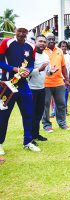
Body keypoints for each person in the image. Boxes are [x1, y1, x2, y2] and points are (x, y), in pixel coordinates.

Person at [0, 25, 41, 154]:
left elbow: (31, 64)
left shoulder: (31, 46)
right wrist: (15, 69)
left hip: (23, 85)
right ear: (15, 31)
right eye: (20, 31)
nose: (22, 34)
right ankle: (0, 143)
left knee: (28, 113)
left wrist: (27, 71)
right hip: (7, 84)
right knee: (3, 115)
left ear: (28, 32)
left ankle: (28, 142)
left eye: (25, 31)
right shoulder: (6, 42)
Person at [42, 33, 70, 133]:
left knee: (61, 104)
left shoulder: (59, 51)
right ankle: (46, 125)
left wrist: (66, 79)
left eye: (53, 39)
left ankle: (62, 123)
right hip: (45, 83)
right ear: (45, 40)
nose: (51, 41)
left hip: (59, 82)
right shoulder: (42, 51)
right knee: (45, 105)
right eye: (49, 39)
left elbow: (63, 67)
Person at [28, 35, 52, 142]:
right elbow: (27, 72)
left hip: (42, 88)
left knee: (38, 113)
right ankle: (29, 137)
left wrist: (51, 72)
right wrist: (40, 69)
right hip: (30, 88)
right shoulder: (31, 55)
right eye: (40, 41)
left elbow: (47, 71)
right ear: (36, 42)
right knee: (30, 114)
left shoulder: (46, 56)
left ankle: (36, 134)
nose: (42, 43)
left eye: (44, 42)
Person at [58, 41, 70, 115]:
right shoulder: (57, 55)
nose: (64, 48)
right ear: (59, 47)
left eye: (65, 46)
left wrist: (69, 79)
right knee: (56, 95)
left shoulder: (69, 57)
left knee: (65, 95)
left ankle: (65, 110)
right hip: (57, 78)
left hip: (65, 78)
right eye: (62, 46)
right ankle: (55, 111)